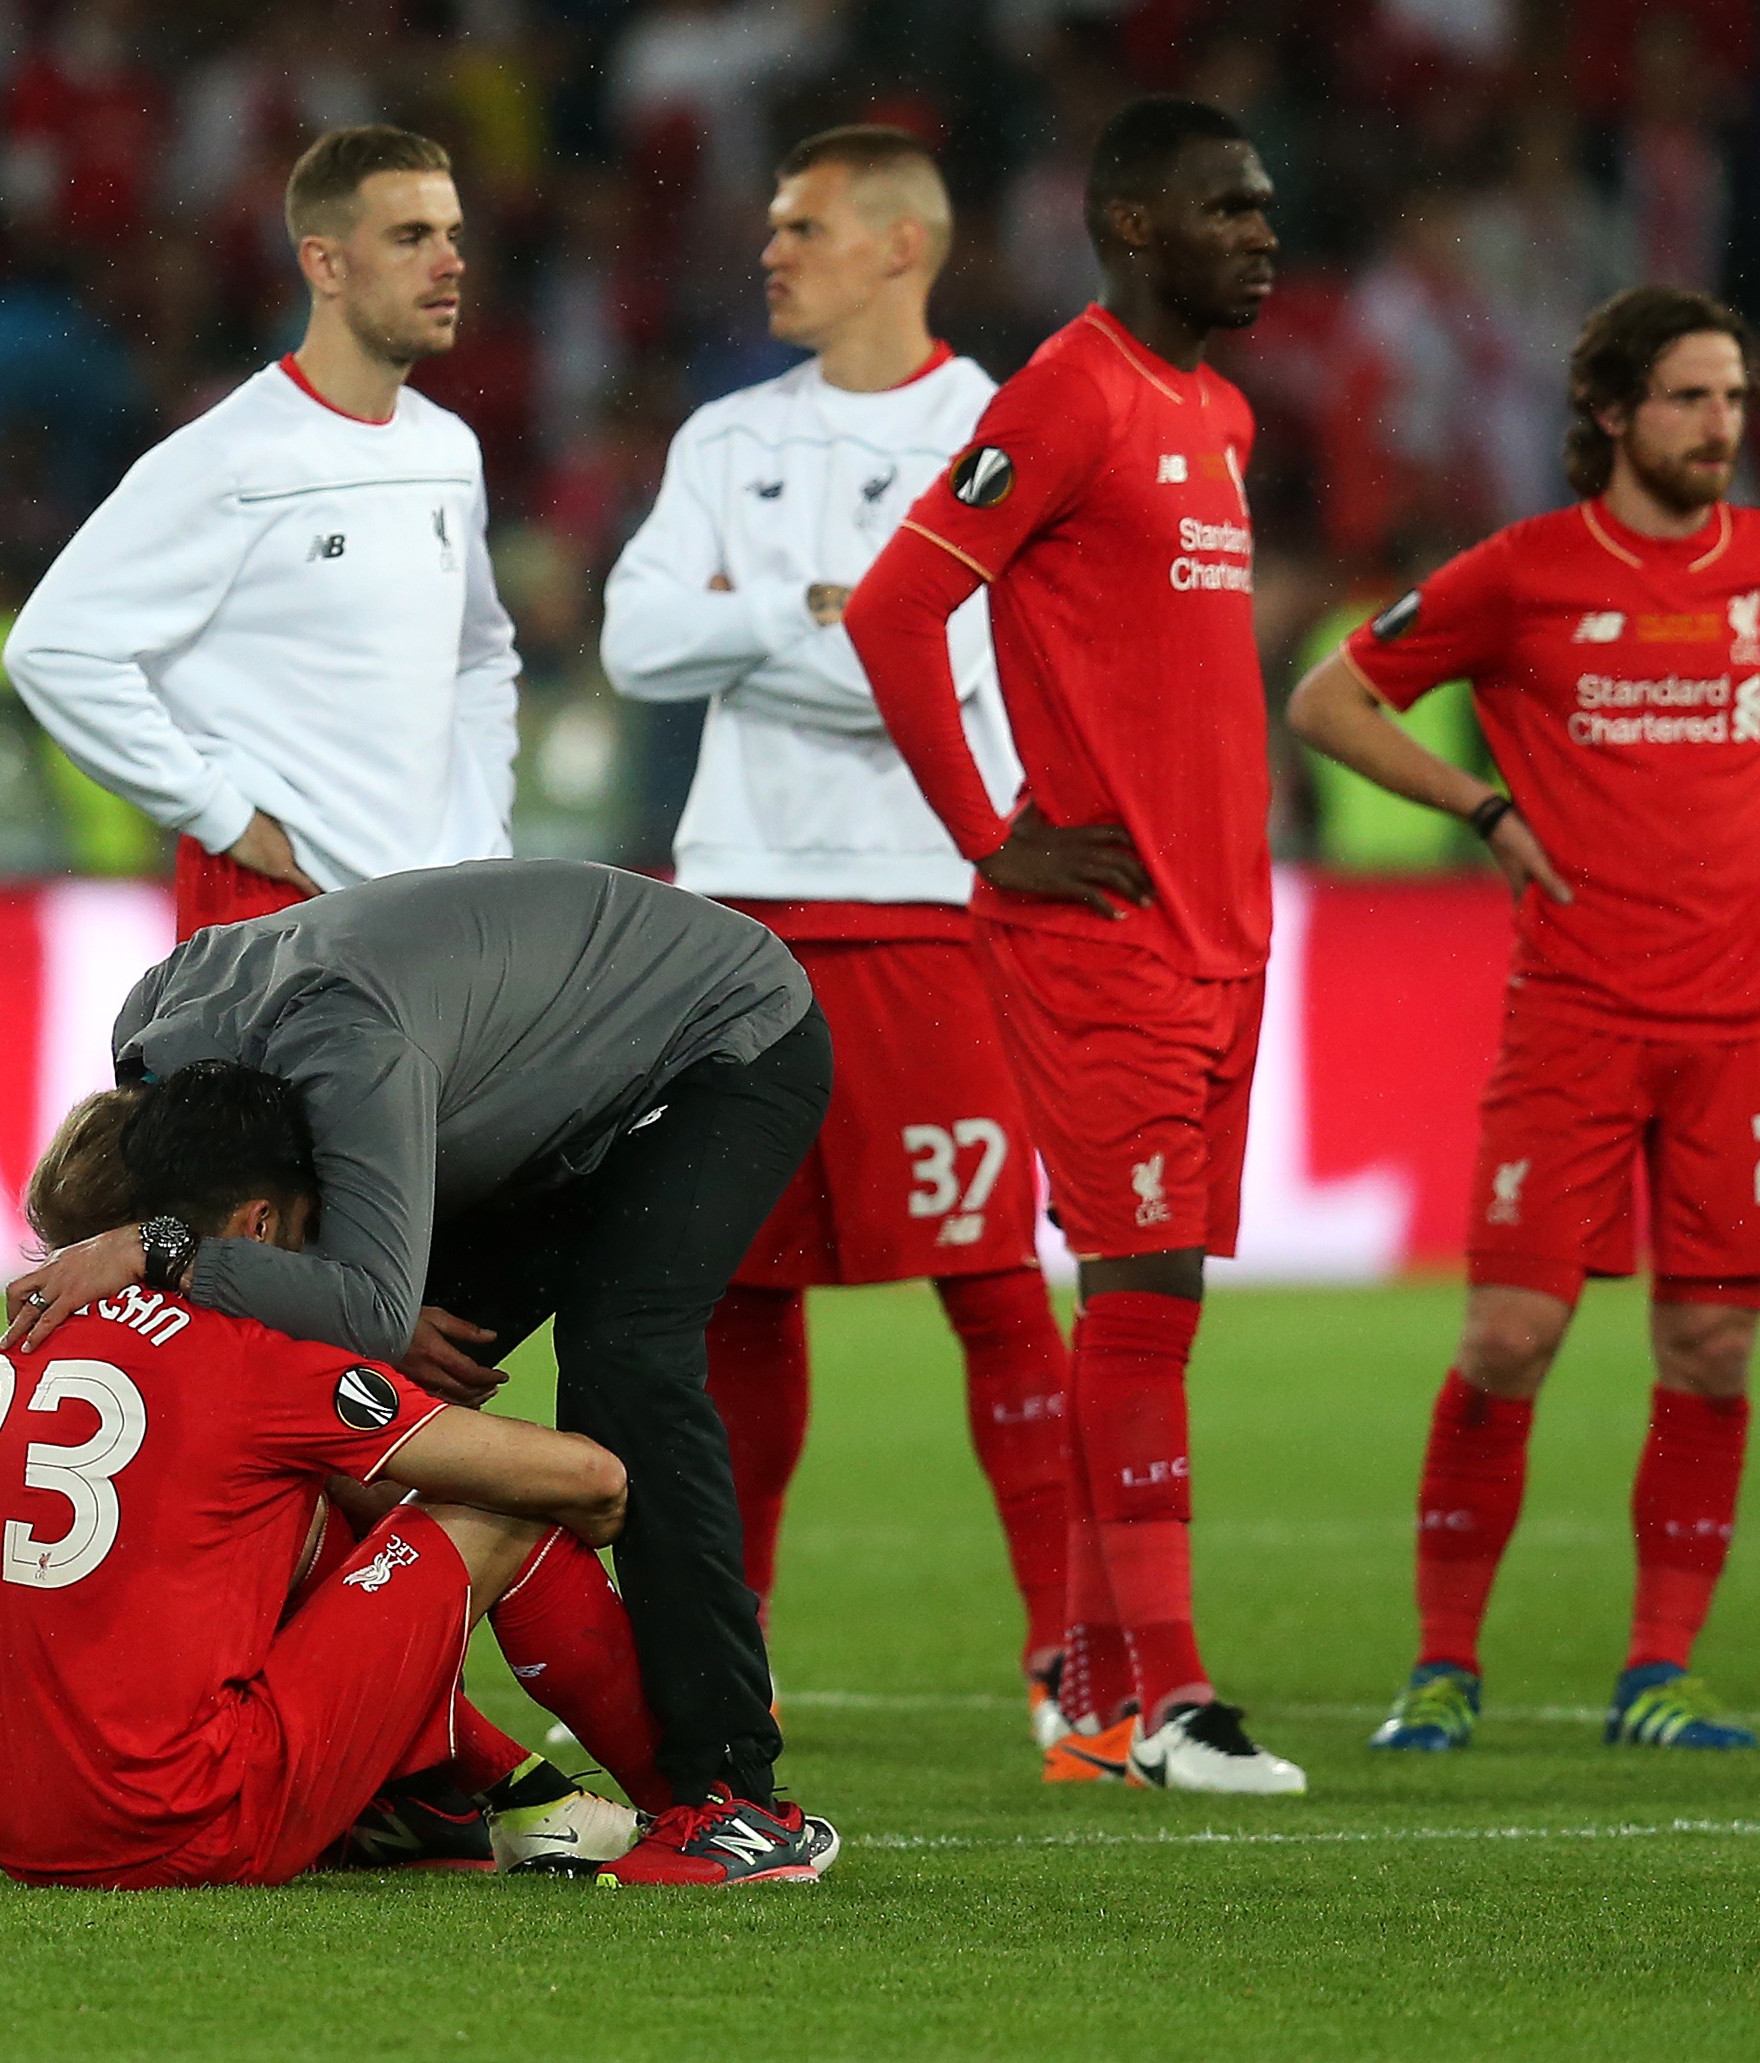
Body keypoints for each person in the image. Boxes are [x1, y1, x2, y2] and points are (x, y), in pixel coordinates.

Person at [1285, 286, 1760, 1754]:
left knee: (1711, 1347)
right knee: (1507, 1333)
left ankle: (1656, 1672)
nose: (1721, 427)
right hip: (1572, 1016)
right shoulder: (1522, 575)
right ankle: (1441, 1667)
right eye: (1691, 398)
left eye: (1736, 399)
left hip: (1748, 1022)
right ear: (1613, 414)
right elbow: (1328, 701)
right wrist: (1480, 808)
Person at [2, 858, 838, 1884]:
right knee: (323, 1398)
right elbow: (349, 1312)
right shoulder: (158, 1032)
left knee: (624, 1361)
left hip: (713, 1042)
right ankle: (410, 1778)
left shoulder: (351, 1054)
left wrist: (173, 1251)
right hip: (538, 1089)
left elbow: (371, 1307)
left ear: (258, 1220)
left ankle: (737, 1799)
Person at [842, 97, 1305, 1794]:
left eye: (1263, 207)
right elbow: (896, 606)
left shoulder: (1217, 411)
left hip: (1217, 933)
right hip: (1097, 928)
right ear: (1129, 226)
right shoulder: (1070, 391)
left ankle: (1100, 1697)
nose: (1261, 231)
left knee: (1155, 1307)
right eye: (1226, 208)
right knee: (1138, 1294)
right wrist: (990, 833)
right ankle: (1166, 1703)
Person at [601, 123, 1075, 1749]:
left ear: (897, 245)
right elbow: (632, 635)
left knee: (996, 1282)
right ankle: (737, 1657)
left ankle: (1074, 1668)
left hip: (927, 903)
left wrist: (798, 642)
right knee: (732, 1299)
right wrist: (808, 619)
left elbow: (978, 680)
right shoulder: (724, 435)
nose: (769, 253)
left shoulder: (1000, 435)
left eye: (800, 228)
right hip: (733, 911)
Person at [0, 1061, 687, 1886]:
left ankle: (449, 1794)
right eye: (313, 1229)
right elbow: (589, 1478)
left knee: (302, 1514)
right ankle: (702, 1806)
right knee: (500, 1508)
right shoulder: (255, 1362)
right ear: (261, 1224)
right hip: (186, 1823)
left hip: (16, 1827)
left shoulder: (33, 1339)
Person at [2, 124, 520, 940]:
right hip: (276, 918)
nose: (449, 261)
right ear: (324, 262)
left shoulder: (448, 450)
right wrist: (217, 813)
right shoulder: (230, 457)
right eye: (410, 236)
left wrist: (483, 825)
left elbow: (482, 653)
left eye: (453, 235)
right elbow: (54, 648)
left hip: (435, 925)